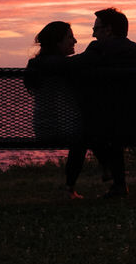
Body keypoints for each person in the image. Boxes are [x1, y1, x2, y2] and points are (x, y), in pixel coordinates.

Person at [77, 7, 136, 197]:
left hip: (114, 126)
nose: (93, 33)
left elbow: (74, 67)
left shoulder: (99, 49)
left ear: (108, 30)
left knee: (105, 123)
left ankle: (120, 185)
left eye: (96, 28)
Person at [24, 21, 104, 200]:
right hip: (65, 130)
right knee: (91, 130)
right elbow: (84, 62)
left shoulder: (37, 64)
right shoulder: (63, 66)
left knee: (86, 130)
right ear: (57, 42)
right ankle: (108, 172)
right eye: (69, 37)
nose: (74, 40)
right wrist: (97, 47)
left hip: (43, 128)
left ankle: (104, 172)